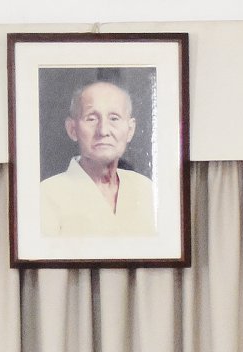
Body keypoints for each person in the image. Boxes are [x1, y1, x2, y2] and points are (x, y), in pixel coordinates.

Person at [38, 79, 156, 238]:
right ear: (72, 129)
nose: (103, 131)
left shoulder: (145, 189)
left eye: (114, 118)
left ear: (130, 129)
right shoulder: (47, 195)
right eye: (91, 118)